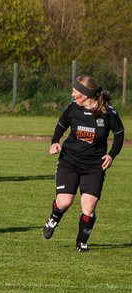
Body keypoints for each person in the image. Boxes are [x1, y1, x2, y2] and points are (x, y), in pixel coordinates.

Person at [42, 75, 124, 252]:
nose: (72, 95)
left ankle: (81, 242)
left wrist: (111, 155)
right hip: (69, 161)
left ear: (86, 95)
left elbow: (119, 134)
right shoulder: (73, 109)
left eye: (75, 91)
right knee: (64, 202)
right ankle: (53, 219)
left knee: (89, 207)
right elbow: (61, 124)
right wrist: (55, 141)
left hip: (94, 166)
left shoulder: (108, 112)